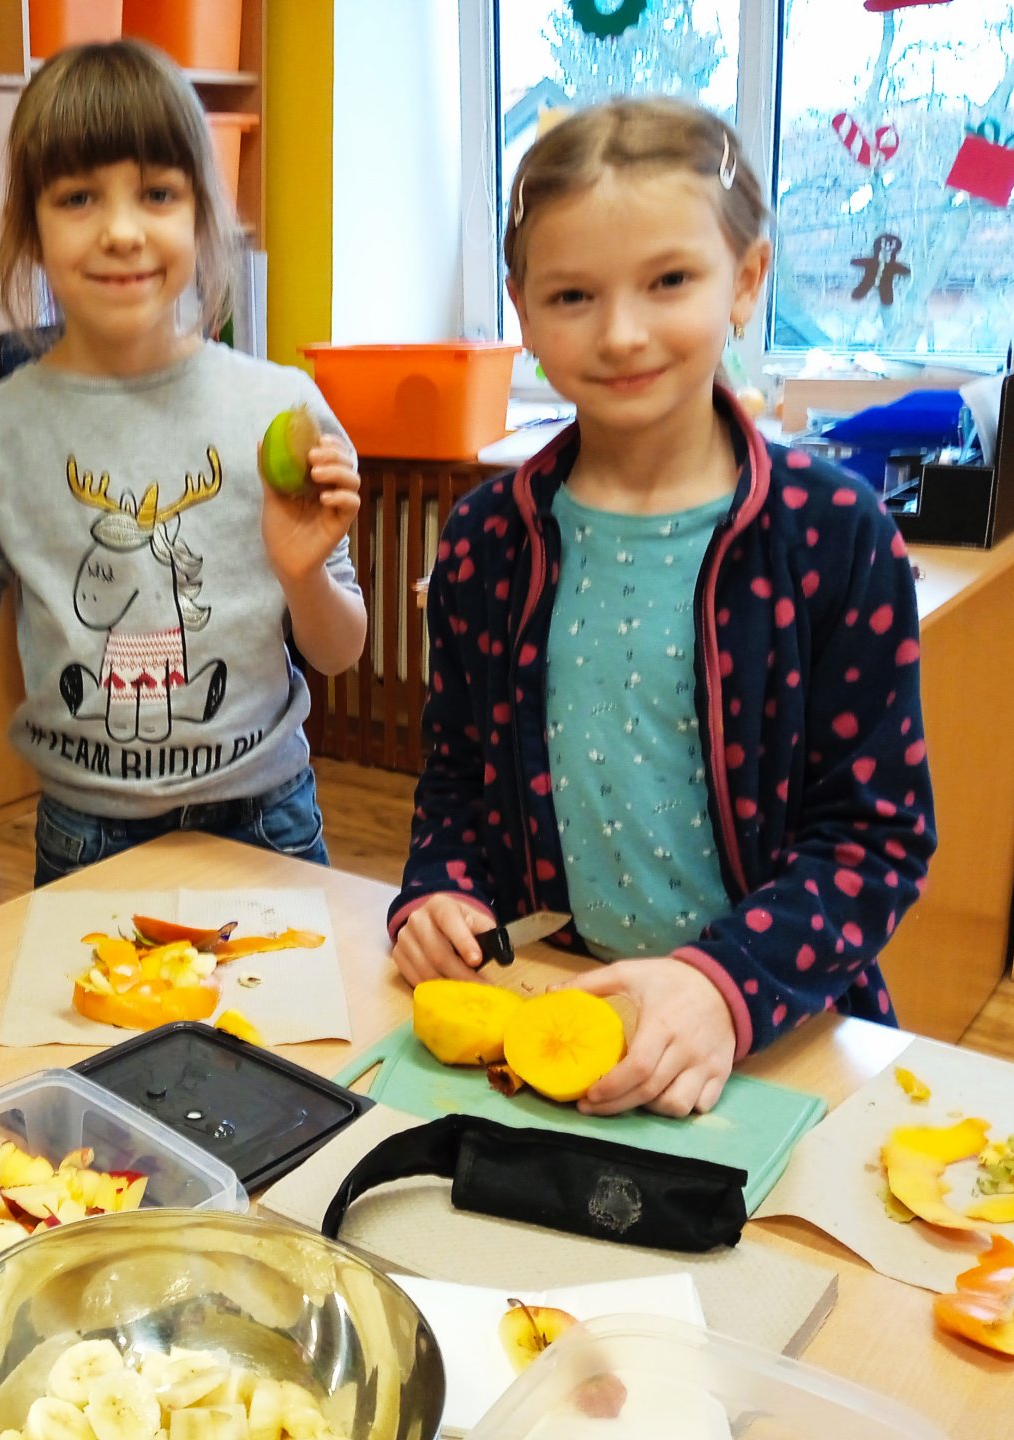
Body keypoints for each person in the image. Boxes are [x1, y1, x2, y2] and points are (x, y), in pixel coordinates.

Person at [390, 99, 934, 1118]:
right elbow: (458, 780)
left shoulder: (835, 536)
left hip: (773, 1028)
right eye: (572, 294)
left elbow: (875, 842)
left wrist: (721, 987)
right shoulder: (484, 540)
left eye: (670, 281)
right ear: (521, 308)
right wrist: (440, 891)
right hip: (553, 1008)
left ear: (748, 280)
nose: (621, 333)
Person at [0, 39, 366, 916]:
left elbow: (340, 651)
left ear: (202, 214)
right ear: (30, 227)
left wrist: (303, 572)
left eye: (157, 193)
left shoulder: (281, 406)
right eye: (78, 197)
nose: (122, 230)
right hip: (87, 837)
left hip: (268, 822)